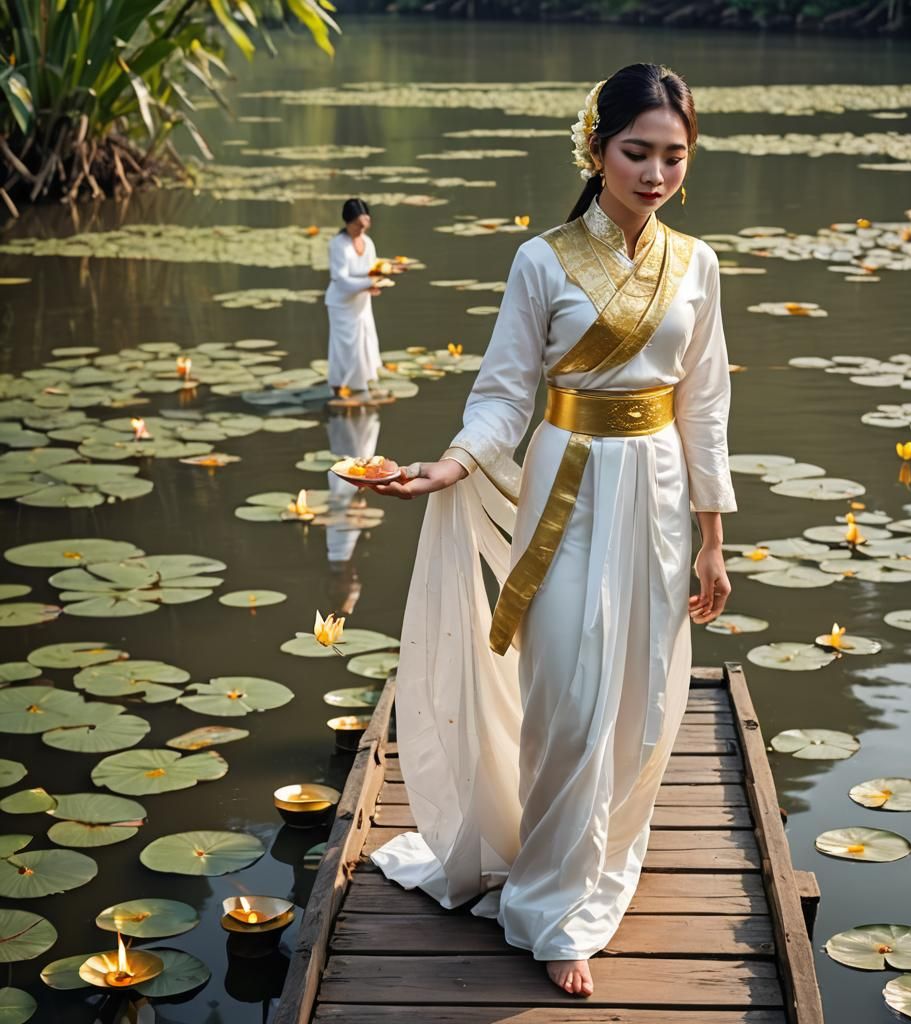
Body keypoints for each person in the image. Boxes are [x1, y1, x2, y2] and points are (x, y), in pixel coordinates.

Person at [366, 63, 738, 1000]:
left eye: (673, 157)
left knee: (646, 701)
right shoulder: (543, 260)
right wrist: (452, 463)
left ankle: (598, 862)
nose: (655, 174)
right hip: (566, 486)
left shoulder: (698, 265)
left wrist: (712, 538)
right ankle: (549, 904)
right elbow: (502, 392)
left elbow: (706, 407)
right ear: (597, 149)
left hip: (654, 492)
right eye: (636, 152)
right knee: (567, 695)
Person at [324, 198, 400, 398]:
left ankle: (364, 385)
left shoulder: (367, 242)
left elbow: (371, 269)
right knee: (345, 347)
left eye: (365, 226)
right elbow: (341, 279)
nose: (361, 230)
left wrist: (388, 270)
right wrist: (369, 284)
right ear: (348, 222)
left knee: (365, 342)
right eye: (357, 225)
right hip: (341, 304)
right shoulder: (338, 245)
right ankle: (340, 386)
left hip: (361, 302)